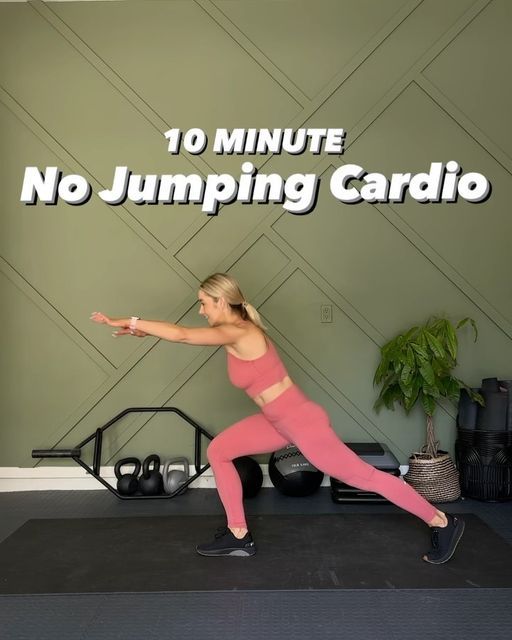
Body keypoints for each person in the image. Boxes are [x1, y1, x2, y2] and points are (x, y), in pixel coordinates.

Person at [90, 272, 465, 563]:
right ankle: (239, 536)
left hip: (301, 422)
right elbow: (185, 334)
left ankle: (442, 523)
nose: (201, 310)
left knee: (364, 477)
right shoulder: (231, 331)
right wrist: (141, 332)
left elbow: (184, 336)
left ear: (222, 302)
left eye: (204, 303)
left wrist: (130, 321)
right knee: (219, 451)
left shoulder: (240, 331)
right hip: (277, 421)